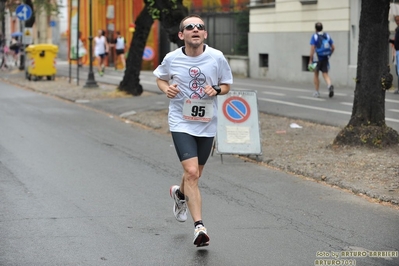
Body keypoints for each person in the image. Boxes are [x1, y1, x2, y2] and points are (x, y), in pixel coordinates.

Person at [153, 14, 233, 247]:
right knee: (191, 173)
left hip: (207, 123)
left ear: (205, 34)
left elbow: (227, 85)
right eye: (190, 27)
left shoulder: (216, 57)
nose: (195, 29)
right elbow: (159, 77)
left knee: (194, 175)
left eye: (200, 27)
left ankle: (179, 195)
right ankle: (200, 227)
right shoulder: (172, 58)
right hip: (181, 121)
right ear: (182, 35)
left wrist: (217, 89)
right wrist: (166, 88)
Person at [308, 22, 335, 98]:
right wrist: (329, 55)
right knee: (325, 74)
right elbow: (333, 47)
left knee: (316, 74)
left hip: (316, 58)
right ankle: (329, 86)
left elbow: (312, 48)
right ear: (322, 28)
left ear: (315, 29)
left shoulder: (314, 36)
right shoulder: (326, 35)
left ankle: (317, 92)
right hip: (325, 58)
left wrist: (310, 59)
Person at [390, 16, 399, 94]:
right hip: (397, 51)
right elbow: (396, 42)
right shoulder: (397, 29)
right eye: (396, 20)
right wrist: (391, 41)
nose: (397, 21)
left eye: (398, 20)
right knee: (397, 71)